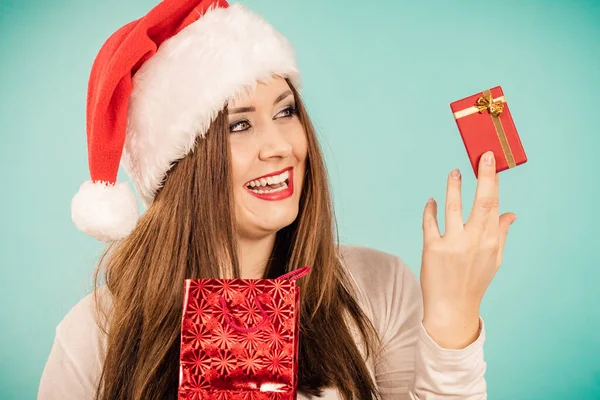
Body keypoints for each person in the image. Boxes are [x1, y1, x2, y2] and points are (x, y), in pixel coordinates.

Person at [38, 0, 517, 399]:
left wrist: (453, 319)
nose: (281, 146)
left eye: (286, 111)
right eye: (239, 124)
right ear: (183, 166)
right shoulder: (96, 333)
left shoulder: (379, 288)